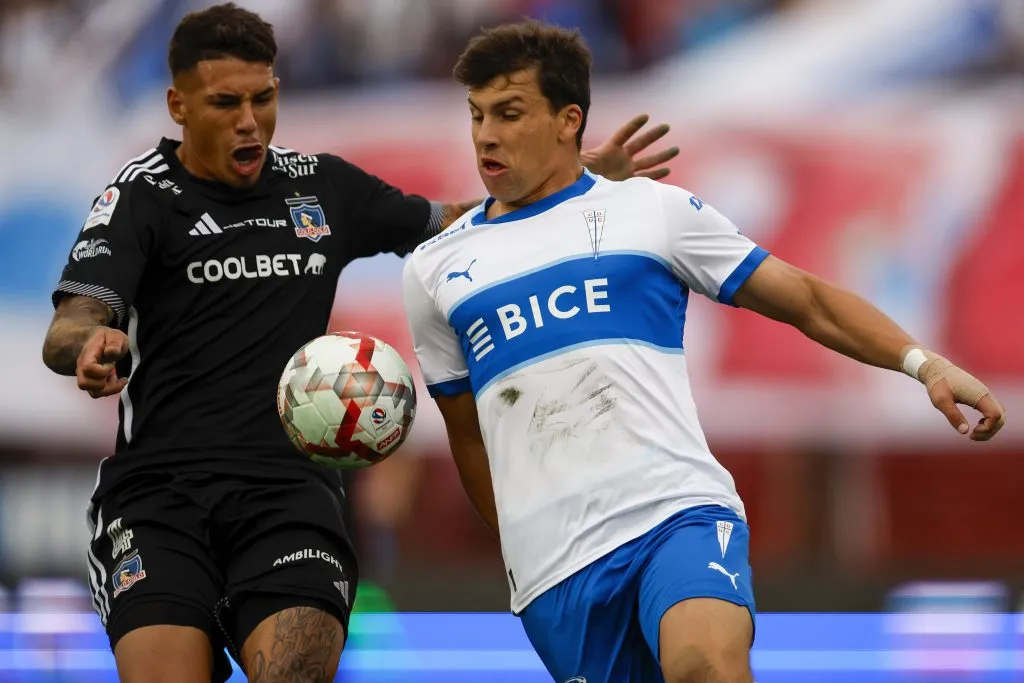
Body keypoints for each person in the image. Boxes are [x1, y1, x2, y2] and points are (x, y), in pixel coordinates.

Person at [39, 4, 680, 682]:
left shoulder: (321, 188)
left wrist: (566, 187)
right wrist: (87, 343)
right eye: (225, 103)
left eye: (263, 99)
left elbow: (460, 222)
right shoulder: (141, 195)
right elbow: (73, 319)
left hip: (285, 497)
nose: (249, 120)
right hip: (159, 497)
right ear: (179, 104)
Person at [401, 20, 1007, 683]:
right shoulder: (435, 269)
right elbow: (468, 436)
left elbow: (805, 297)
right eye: (477, 115)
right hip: (557, 571)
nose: (485, 134)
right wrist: (521, 541)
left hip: (675, 512)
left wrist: (925, 363)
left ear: (567, 120)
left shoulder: (652, 212)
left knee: (706, 664)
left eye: (509, 113)